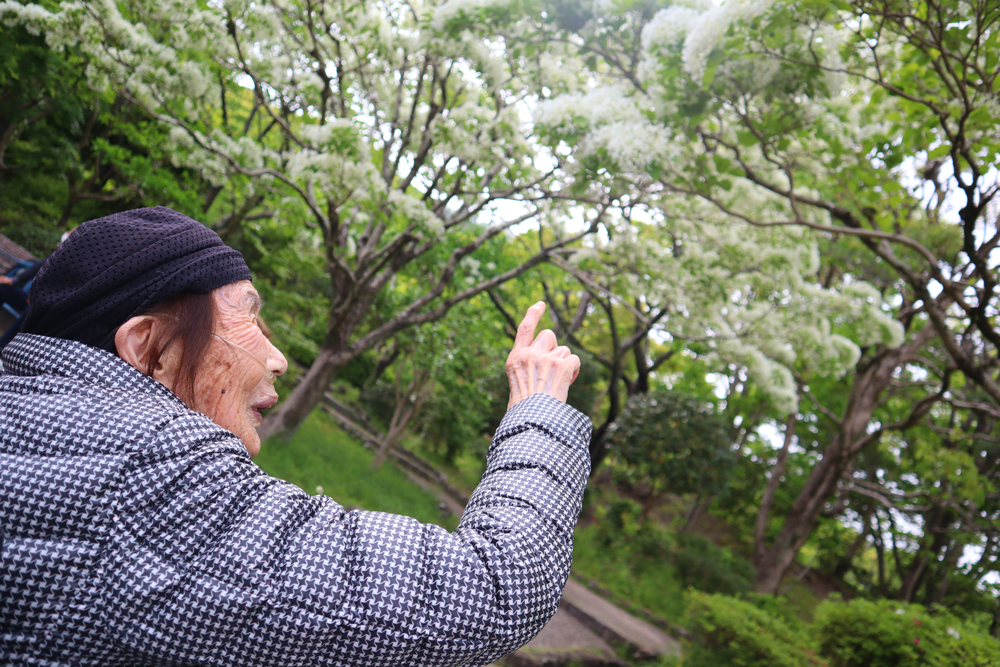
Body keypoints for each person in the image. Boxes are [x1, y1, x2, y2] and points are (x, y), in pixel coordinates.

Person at [0, 207, 590, 666]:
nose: (278, 357)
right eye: (248, 318)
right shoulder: (149, 474)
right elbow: (492, 587)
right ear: (148, 346)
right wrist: (537, 404)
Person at [0, 260, 41, 351]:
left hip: (48, 306)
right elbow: (39, 267)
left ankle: (2, 346)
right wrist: (14, 280)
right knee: (2, 288)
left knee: (32, 310)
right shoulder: (62, 254)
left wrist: (40, 297)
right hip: (34, 297)